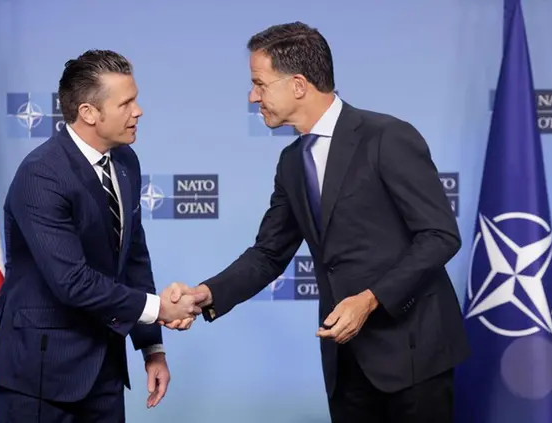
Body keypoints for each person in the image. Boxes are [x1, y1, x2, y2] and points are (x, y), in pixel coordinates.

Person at [166, 22, 469, 423]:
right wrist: (205, 294)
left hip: (413, 356)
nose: (253, 96)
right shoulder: (292, 162)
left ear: (298, 85)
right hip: (345, 364)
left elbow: (439, 235)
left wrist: (370, 299)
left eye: (259, 84)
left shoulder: (387, 137)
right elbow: (268, 253)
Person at [0, 50, 204, 422]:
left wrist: (152, 347)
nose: (138, 111)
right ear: (88, 112)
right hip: (41, 375)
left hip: (105, 370)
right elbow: (72, 281)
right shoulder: (41, 175)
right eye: (126, 103)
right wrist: (160, 309)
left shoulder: (126, 161)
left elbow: (133, 257)